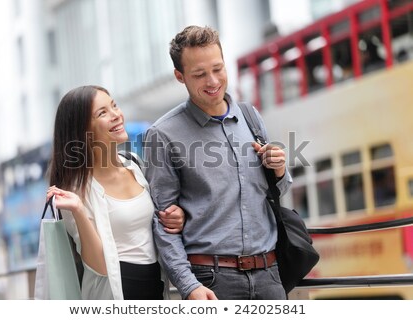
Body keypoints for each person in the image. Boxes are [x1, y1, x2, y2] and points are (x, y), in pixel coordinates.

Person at [144, 25, 292, 300]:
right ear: (180, 76)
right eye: (199, 74)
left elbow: (276, 193)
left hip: (269, 275)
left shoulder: (250, 116)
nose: (212, 81)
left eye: (217, 69)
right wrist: (189, 286)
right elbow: (162, 223)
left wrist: (280, 169)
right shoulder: (163, 134)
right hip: (210, 280)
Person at [44, 85, 185, 300]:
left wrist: (176, 217)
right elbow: (99, 267)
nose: (116, 115)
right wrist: (79, 211)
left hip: (155, 288)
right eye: (102, 113)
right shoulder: (75, 190)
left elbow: (155, 226)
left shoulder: (135, 166)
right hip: (114, 294)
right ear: (83, 132)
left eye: (114, 106)